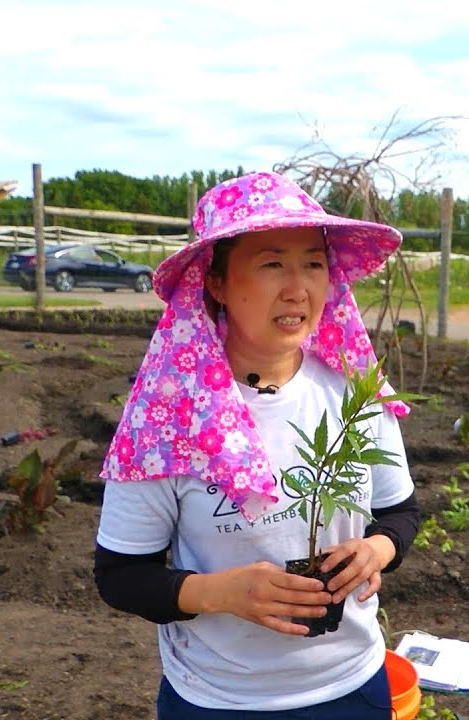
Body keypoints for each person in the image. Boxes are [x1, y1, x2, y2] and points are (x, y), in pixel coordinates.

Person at [94, 171, 421, 719]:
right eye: (272, 263)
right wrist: (221, 594)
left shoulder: (354, 390)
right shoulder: (169, 414)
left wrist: (375, 551)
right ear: (216, 282)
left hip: (352, 685)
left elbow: (400, 513)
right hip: (221, 699)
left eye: (313, 263)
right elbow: (122, 576)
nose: (298, 288)